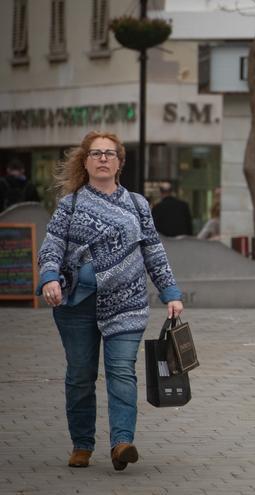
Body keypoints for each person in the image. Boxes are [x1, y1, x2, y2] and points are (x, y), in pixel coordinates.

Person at [36, 131, 184, 471]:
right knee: (80, 376)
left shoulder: (137, 204)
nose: (103, 158)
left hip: (127, 302)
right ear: (85, 162)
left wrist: (170, 292)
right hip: (76, 305)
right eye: (96, 153)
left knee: (121, 371)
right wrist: (49, 278)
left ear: (119, 162)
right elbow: (52, 247)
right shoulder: (69, 204)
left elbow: (153, 251)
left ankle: (122, 443)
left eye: (109, 153)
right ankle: (82, 445)